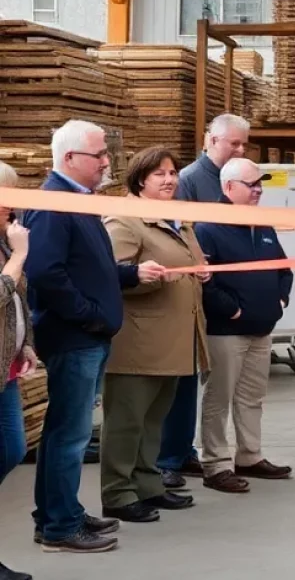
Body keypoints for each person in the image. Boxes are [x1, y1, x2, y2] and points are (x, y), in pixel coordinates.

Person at [24, 120, 164, 553]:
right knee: (70, 434)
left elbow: (87, 265)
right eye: (99, 155)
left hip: (85, 334)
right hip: (75, 337)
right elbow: (45, 272)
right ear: (69, 159)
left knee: (64, 431)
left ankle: (57, 511)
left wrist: (128, 273)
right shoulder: (52, 204)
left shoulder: (77, 202)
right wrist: (89, 316)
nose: (107, 162)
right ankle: (60, 527)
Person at [99, 147, 210, 523]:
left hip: (174, 337)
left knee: (153, 420)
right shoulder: (125, 220)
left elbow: (186, 263)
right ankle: (117, 493)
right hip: (139, 340)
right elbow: (110, 276)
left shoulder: (178, 219)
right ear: (140, 179)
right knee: (127, 420)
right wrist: (145, 277)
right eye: (159, 174)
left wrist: (200, 271)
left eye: (173, 172)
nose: (169, 179)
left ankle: (147, 485)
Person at [160, 113, 250, 487]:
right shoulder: (190, 183)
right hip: (197, 296)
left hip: (215, 296)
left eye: (244, 144)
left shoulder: (227, 181)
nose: (240, 149)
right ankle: (168, 458)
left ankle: (183, 452)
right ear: (211, 140)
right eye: (234, 144)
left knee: (191, 379)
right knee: (179, 382)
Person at [196, 158, 293, 493]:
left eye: (260, 184)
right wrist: (232, 310)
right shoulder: (208, 228)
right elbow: (204, 281)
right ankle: (216, 464)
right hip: (227, 332)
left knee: (252, 397)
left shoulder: (261, 225)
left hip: (262, 328)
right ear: (228, 188)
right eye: (251, 185)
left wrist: (280, 300)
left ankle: (250, 455)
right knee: (219, 398)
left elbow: (284, 267)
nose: (258, 190)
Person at [0, 161, 37, 580]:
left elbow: (18, 299)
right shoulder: (14, 245)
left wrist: (24, 344)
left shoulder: (5, 239)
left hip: (6, 367)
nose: (12, 208)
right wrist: (21, 255)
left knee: (12, 448)